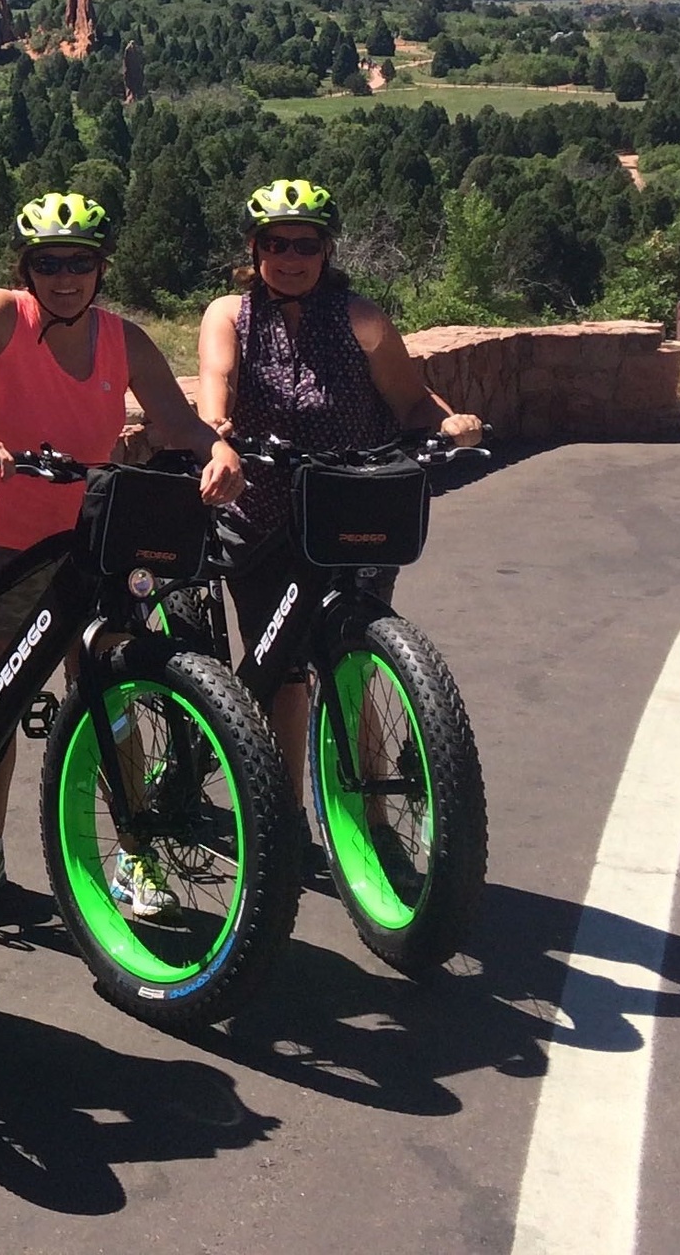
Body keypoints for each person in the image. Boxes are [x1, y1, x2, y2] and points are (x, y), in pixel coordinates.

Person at [0, 192, 244, 918]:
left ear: (101, 268)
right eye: (48, 263)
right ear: (26, 267)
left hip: (92, 543)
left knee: (115, 692)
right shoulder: (1, 313)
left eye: (80, 262)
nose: (64, 277)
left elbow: (175, 420)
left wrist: (217, 447)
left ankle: (133, 852)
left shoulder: (120, 339)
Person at [193, 179, 483, 867]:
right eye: (274, 244)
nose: (289, 257)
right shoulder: (228, 316)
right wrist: (219, 439)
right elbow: (216, 389)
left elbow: (411, 401)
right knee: (285, 672)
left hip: (351, 510)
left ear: (326, 250)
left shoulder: (361, 318)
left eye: (305, 245)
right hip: (261, 513)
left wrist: (449, 422)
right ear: (253, 249)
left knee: (352, 661)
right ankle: (288, 821)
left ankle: (373, 817)